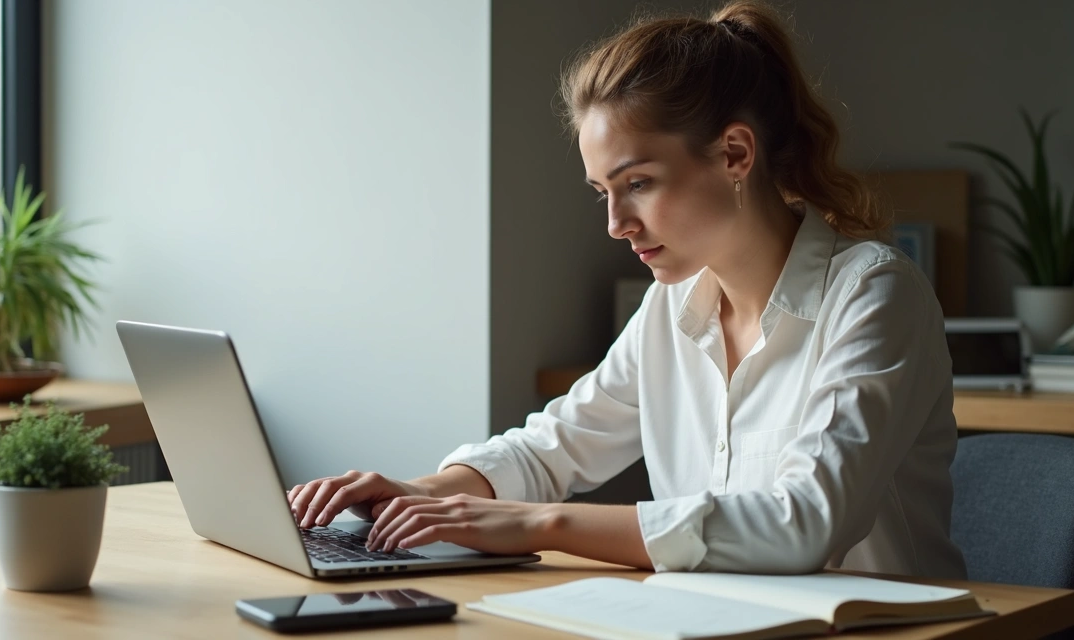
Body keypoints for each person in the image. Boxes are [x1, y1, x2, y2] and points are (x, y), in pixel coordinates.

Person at [288, 0, 967, 579]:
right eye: (603, 192)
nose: (616, 223)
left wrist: (540, 523)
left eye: (638, 183)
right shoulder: (672, 306)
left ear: (735, 153)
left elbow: (804, 523)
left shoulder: (874, 294)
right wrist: (420, 493)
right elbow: (554, 445)